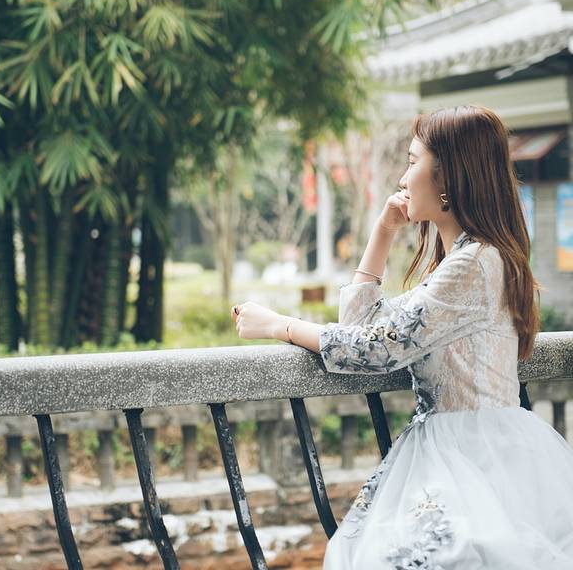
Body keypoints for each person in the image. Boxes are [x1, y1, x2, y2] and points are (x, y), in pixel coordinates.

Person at [230, 105, 573, 569]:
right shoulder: (466, 261)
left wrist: (278, 325)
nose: (403, 177)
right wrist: (383, 232)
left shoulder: (474, 265)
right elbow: (362, 328)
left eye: (413, 162)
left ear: (448, 176)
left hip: (475, 453)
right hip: (458, 446)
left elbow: (377, 349)